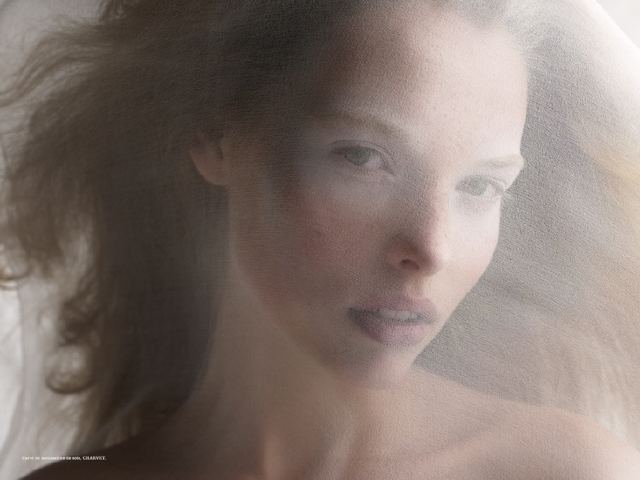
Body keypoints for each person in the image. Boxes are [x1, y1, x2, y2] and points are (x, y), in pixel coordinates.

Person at [2, 0, 640, 478]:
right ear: (214, 135)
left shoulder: (562, 472)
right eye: (363, 157)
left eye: (480, 186)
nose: (431, 248)